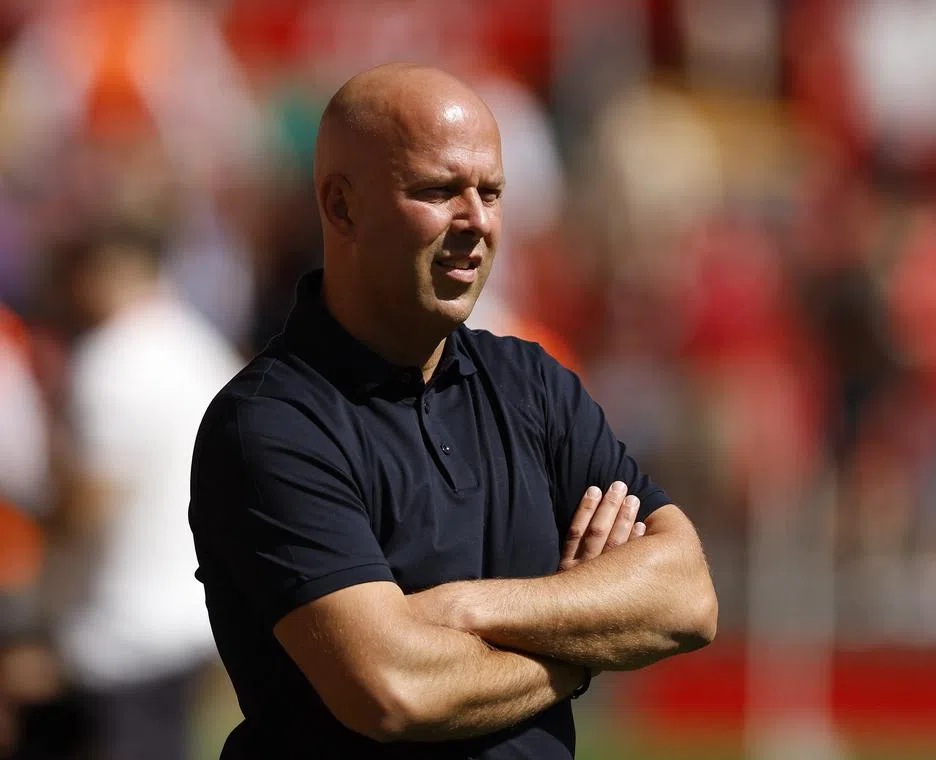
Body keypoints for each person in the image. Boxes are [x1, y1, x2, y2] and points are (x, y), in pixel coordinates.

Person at [189, 63, 718, 760]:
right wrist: (584, 644)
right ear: (341, 207)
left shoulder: (533, 384)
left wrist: (467, 608)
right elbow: (394, 692)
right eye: (438, 191)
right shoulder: (270, 424)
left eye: (491, 192)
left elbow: (686, 597)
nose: (475, 221)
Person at [35, 222, 243, 760]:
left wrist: (38, 511)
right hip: (192, 610)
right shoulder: (197, 341)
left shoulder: (110, 361)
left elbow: (90, 504)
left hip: (119, 626)